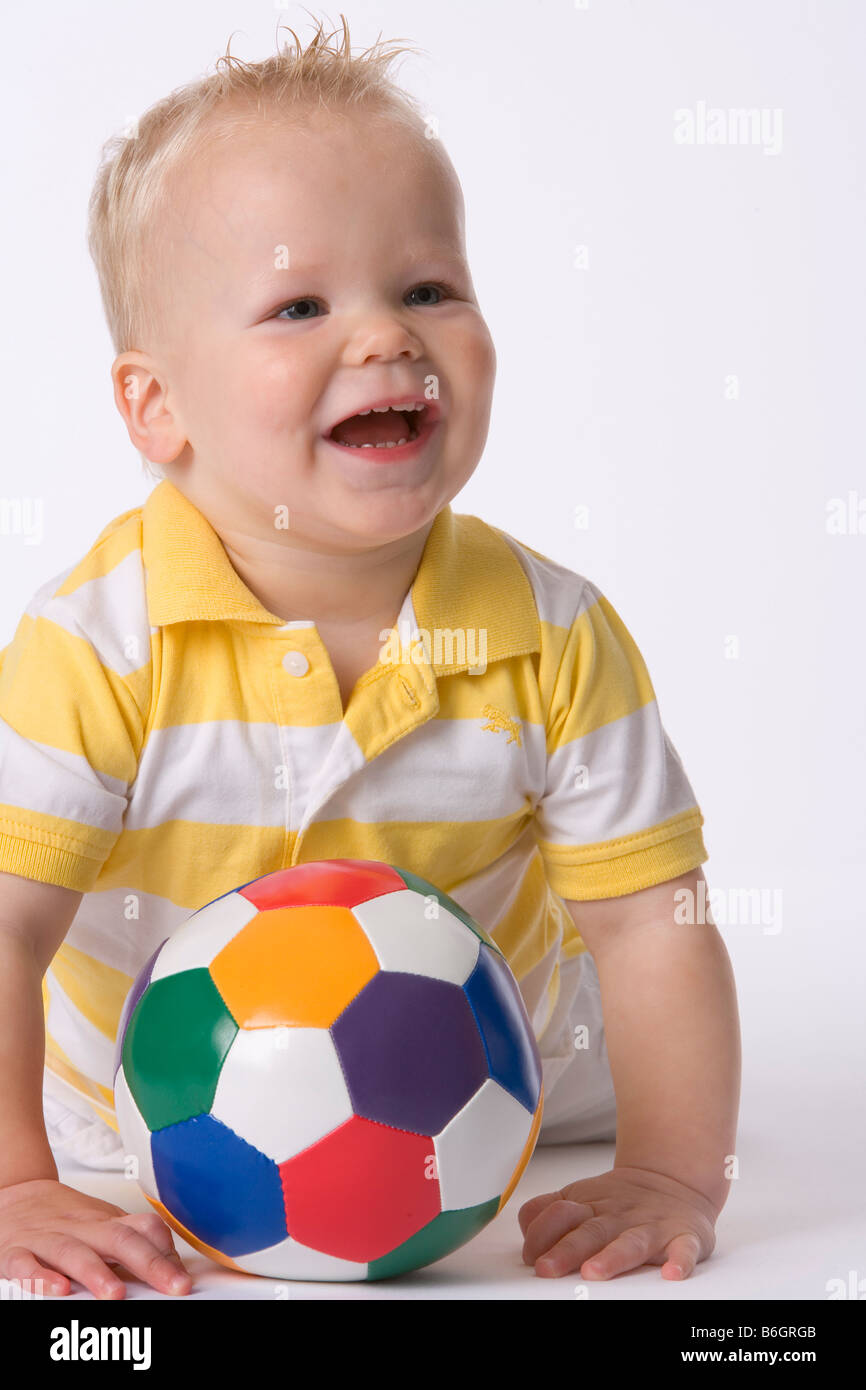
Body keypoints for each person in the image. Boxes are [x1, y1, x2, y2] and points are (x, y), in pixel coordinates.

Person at [0, 15, 738, 1299]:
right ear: (156, 406)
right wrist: (14, 1184)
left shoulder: (551, 634)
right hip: (129, 1124)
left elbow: (648, 924)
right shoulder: (96, 647)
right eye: (298, 303)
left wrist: (671, 1170)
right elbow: (5, 927)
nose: (385, 337)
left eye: (427, 287)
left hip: (502, 1099)